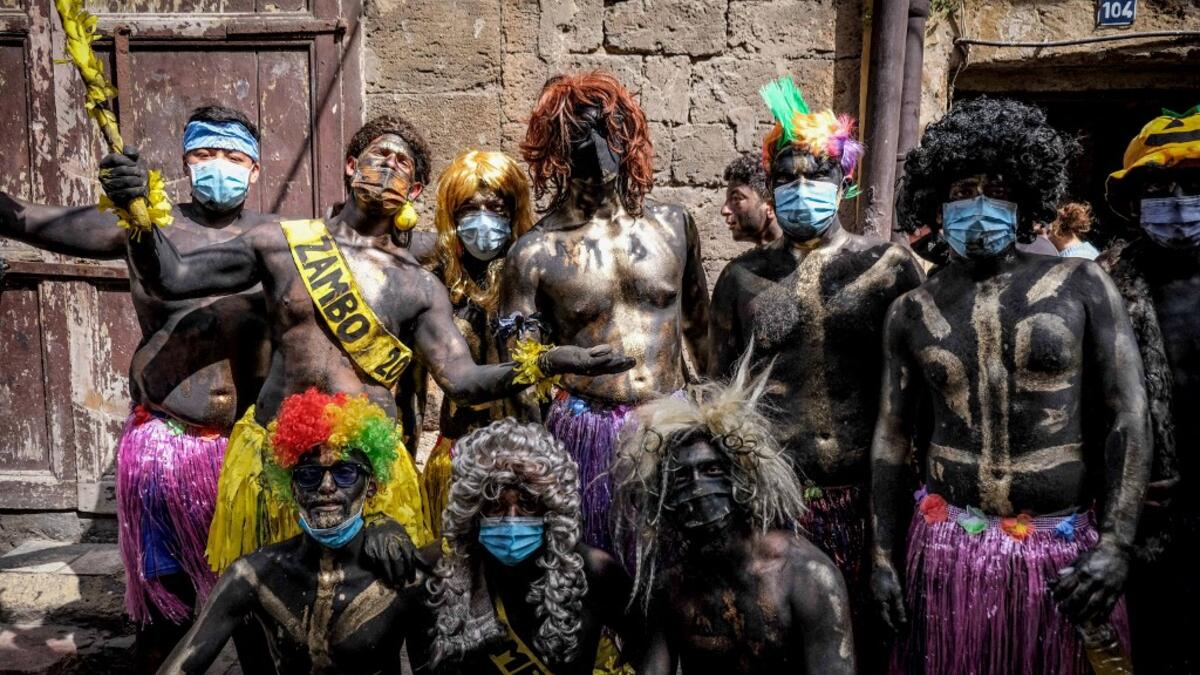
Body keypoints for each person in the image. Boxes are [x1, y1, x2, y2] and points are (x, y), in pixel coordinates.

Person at [116, 113, 634, 573]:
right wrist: (138, 213)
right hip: (274, 461)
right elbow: (173, 276)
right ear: (349, 165)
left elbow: (464, 380)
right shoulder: (281, 243)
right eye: (377, 155)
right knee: (264, 610)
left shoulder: (417, 284)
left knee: (377, 611)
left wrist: (546, 362)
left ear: (416, 192)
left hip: (370, 472)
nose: (388, 167)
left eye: (402, 164)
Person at [873, 97, 1151, 675]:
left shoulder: (1084, 285)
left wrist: (1118, 543)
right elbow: (892, 440)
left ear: (1024, 198)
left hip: (1062, 554)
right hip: (949, 551)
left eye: (996, 188)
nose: (978, 205)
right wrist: (882, 555)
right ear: (936, 203)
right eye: (960, 190)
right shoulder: (910, 311)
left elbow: (1129, 414)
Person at [0, 105, 272, 668]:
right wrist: (126, 199)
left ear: (254, 168)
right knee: (166, 608)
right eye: (203, 154)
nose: (216, 166)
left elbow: (367, 256)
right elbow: (33, 221)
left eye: (232, 156)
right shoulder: (144, 226)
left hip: (246, 453)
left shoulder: (279, 240)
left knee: (256, 612)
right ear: (183, 162)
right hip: (165, 448)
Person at [707, 76, 922, 663]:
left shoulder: (888, 268)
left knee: (876, 646)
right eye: (786, 178)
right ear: (770, 186)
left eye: (816, 176)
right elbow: (718, 398)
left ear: (844, 180)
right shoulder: (741, 279)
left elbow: (913, 400)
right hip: (776, 509)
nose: (802, 189)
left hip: (867, 503)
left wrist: (888, 540)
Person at [500, 71, 710, 552]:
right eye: (578, 134)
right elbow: (521, 376)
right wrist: (541, 468)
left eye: (606, 130)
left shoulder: (674, 226)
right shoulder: (533, 254)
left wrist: (710, 420)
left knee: (674, 567)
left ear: (627, 134)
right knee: (597, 565)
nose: (594, 146)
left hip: (670, 423)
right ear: (556, 146)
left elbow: (700, 330)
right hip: (585, 429)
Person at [611, 355, 855, 674]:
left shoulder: (805, 575)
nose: (698, 489)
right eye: (682, 477)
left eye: (711, 470)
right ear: (663, 495)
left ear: (742, 479)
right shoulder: (671, 588)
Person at [157, 390, 431, 674]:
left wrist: (385, 522)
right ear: (291, 487)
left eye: (345, 473)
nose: (326, 487)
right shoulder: (253, 575)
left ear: (371, 486)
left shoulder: (404, 579)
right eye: (309, 475)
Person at [1098, 104, 1200, 675]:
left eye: (1194, 183)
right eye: (1160, 185)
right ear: (1134, 203)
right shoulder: (1104, 282)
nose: (1179, 200)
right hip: (1141, 529)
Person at [425, 418, 637, 675]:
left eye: (527, 504)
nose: (512, 520)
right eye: (495, 506)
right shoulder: (441, 569)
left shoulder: (592, 571)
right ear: (473, 511)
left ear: (550, 508)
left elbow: (650, 634)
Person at [421, 149, 536, 539]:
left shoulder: (535, 272)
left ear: (514, 212)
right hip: (458, 450)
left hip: (528, 450)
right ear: (451, 214)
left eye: (496, 207)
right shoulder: (432, 280)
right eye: (470, 208)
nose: (483, 219)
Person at [720, 152, 780, 246]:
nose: (724, 210)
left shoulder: (808, 259)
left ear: (770, 206)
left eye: (736, 199)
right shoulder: (751, 260)